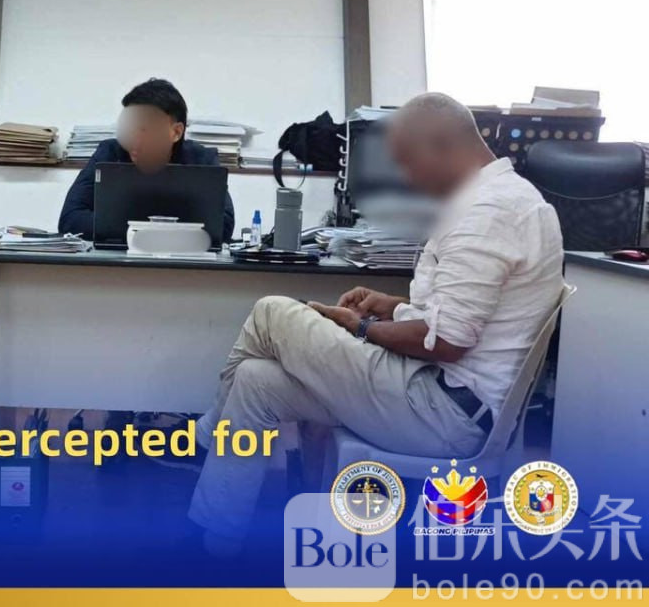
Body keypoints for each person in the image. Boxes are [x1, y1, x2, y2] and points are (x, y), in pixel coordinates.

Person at [184, 92, 564, 556]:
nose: (406, 177)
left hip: (444, 413)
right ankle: (218, 543)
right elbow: (457, 316)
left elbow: (448, 340)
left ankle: (206, 435)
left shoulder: (491, 212)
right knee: (255, 379)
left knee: (272, 312)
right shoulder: (500, 200)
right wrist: (394, 308)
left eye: (407, 162)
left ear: (442, 145)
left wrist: (360, 328)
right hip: (434, 395)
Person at [57, 78, 235, 242]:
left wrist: (123, 225)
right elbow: (70, 220)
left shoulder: (201, 160)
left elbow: (223, 226)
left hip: (184, 261)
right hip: (119, 260)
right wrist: (157, 229)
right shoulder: (109, 153)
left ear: (176, 132)